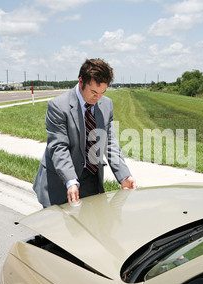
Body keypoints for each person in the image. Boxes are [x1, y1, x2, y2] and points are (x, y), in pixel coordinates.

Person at [33, 58, 136, 208]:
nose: (98, 97)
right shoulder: (58, 106)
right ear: (81, 81)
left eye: (103, 92)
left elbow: (109, 143)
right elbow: (59, 148)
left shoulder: (106, 104)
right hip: (61, 180)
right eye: (94, 92)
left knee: (94, 227)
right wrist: (70, 180)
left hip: (91, 179)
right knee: (60, 229)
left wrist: (124, 175)